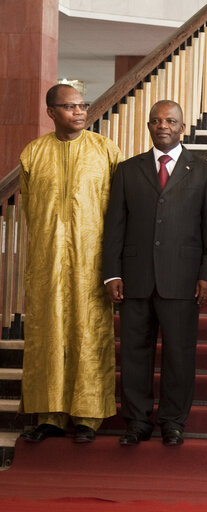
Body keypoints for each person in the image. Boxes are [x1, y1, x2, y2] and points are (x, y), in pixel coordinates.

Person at [102, 100, 207, 447]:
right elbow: (114, 227)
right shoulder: (126, 170)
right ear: (149, 127)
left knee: (179, 355)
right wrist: (111, 274)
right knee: (134, 354)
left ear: (182, 126)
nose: (162, 125)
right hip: (134, 279)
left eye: (170, 120)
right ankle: (136, 422)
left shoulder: (206, 171)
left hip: (183, 279)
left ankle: (172, 421)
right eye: (156, 121)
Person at [18, 84, 123, 443]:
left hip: (92, 262)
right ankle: (48, 415)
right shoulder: (33, 154)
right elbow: (32, 212)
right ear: (51, 112)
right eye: (70, 106)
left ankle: (88, 416)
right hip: (47, 263)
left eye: (83, 105)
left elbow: (118, 212)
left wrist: (114, 265)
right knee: (48, 336)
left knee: (89, 332)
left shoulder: (105, 150)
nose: (80, 112)